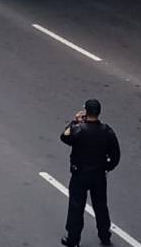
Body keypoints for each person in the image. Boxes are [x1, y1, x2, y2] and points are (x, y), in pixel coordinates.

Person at [59, 99, 121, 247]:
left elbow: (64, 137)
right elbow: (115, 156)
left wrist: (74, 122)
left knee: (76, 206)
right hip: (98, 175)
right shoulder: (107, 131)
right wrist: (107, 167)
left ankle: (73, 239)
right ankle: (105, 236)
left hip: (80, 175)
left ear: (86, 112)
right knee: (100, 206)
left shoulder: (78, 130)